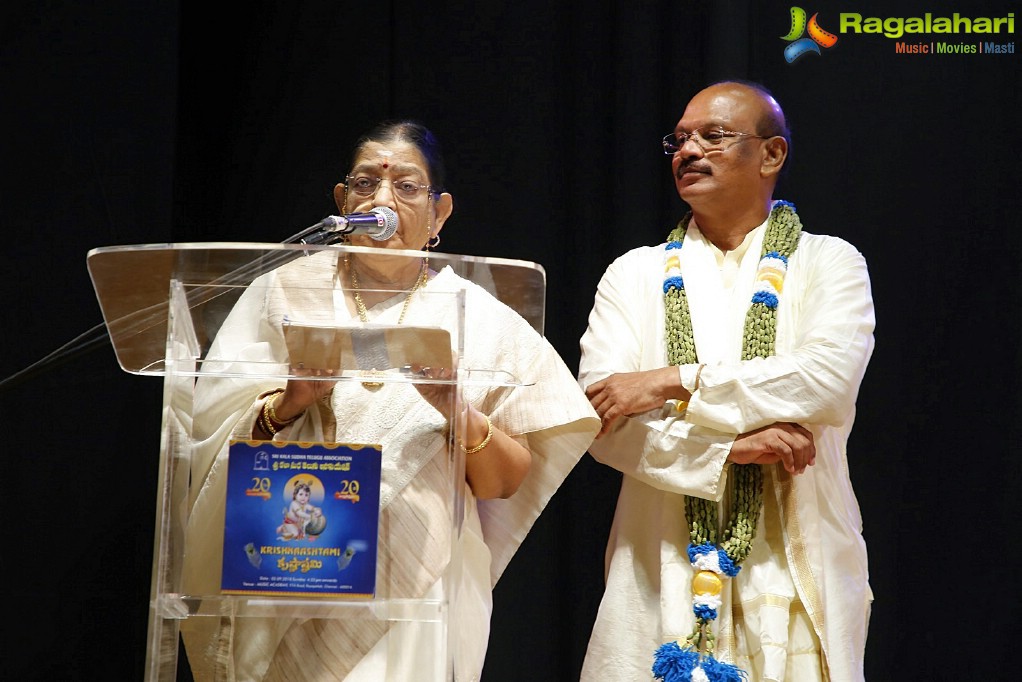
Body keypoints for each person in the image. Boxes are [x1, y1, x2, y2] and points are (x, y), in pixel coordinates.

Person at [179, 120, 600, 681]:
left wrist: (456, 409)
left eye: (406, 187)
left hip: (421, 592)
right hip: (291, 569)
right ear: (340, 201)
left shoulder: (480, 317)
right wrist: (290, 403)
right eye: (364, 185)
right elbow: (209, 431)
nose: (381, 201)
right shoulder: (283, 291)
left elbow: (504, 482)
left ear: (439, 213)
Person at [577, 81, 875, 681]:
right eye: (680, 140)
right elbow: (601, 418)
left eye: (713, 137)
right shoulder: (631, 275)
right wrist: (725, 451)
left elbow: (825, 381)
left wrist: (672, 380)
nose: (689, 152)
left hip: (798, 559)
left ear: (772, 155)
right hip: (659, 557)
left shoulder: (830, 262)